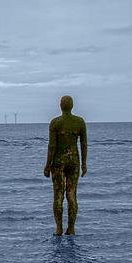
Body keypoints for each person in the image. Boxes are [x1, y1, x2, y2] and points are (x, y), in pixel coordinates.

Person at [44, 95, 87, 236]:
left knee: (58, 195)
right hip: (74, 161)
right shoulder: (80, 122)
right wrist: (84, 164)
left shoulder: (55, 123)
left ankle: (58, 228)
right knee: (71, 194)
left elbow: (52, 146)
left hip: (58, 162)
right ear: (72, 105)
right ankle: (71, 228)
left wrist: (47, 165)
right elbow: (84, 144)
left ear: (60, 106)